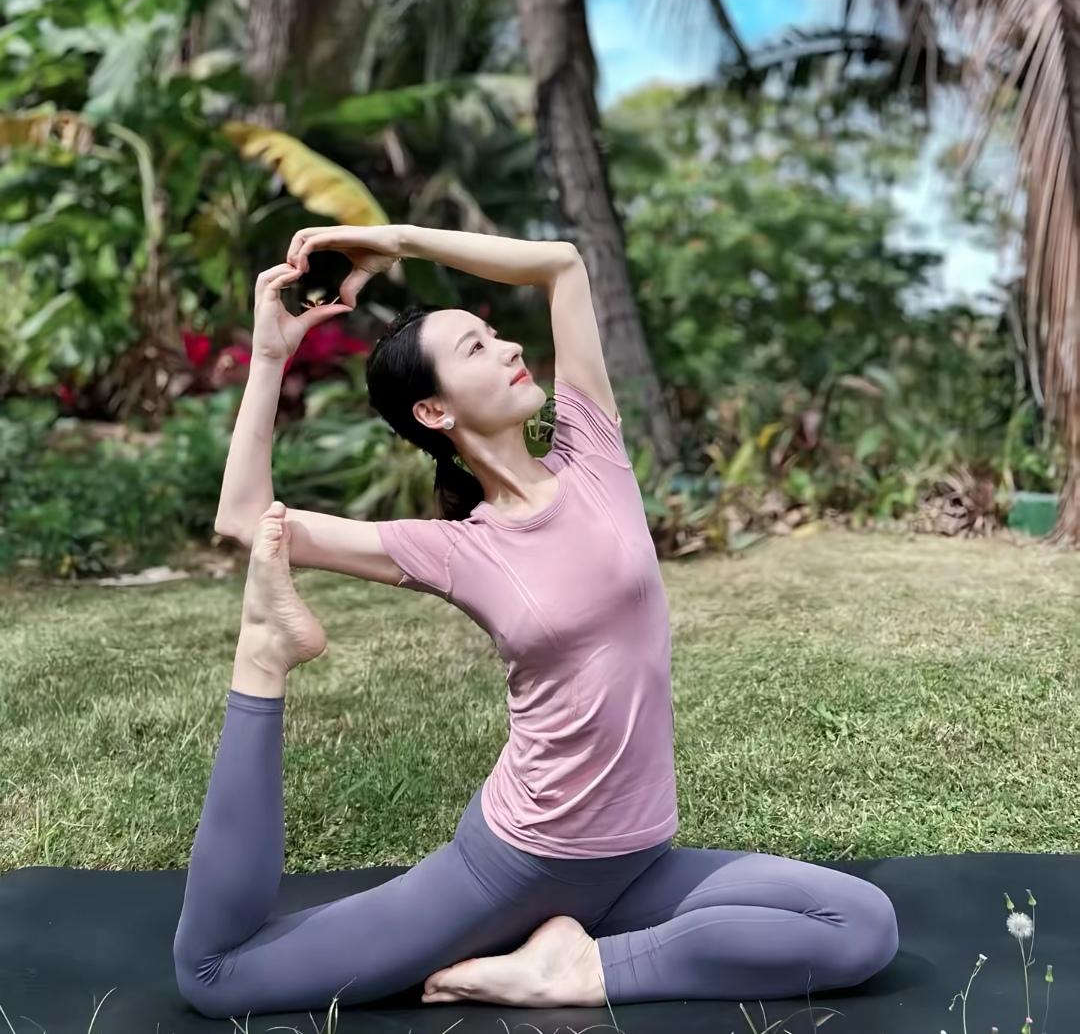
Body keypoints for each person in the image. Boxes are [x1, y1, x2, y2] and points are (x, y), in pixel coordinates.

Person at [172, 223, 899, 1021]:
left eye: (493, 333)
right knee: (216, 977)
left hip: (637, 860)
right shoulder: (456, 549)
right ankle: (265, 653)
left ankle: (578, 969)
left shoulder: (593, 454)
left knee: (862, 927)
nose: (509, 347)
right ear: (433, 409)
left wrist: (394, 241)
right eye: (475, 349)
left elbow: (562, 265)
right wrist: (271, 353)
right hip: (515, 865)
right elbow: (246, 517)